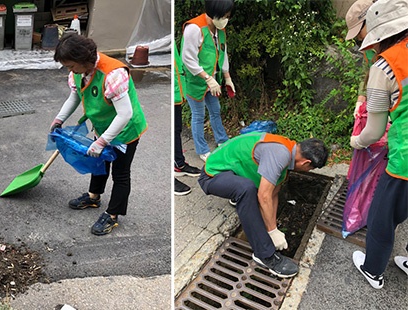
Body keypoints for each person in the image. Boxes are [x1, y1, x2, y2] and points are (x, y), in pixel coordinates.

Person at [50, 34, 147, 235]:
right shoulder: (78, 71)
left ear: (84, 60)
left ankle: (112, 215)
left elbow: (125, 114)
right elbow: (75, 96)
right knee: (99, 163)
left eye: (71, 66)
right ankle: (94, 197)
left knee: (120, 172)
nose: (70, 70)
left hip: (125, 130)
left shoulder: (113, 74)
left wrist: (103, 141)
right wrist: (59, 119)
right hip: (103, 125)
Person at [197, 132, 329, 277]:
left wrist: (272, 228)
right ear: (306, 163)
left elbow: (272, 194)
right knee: (246, 189)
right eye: (310, 169)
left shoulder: (288, 152)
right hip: (212, 175)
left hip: (230, 171)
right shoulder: (280, 155)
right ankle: (264, 255)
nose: (308, 171)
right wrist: (271, 231)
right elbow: (264, 196)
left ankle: (237, 195)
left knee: (253, 191)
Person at [349, 0, 408, 289]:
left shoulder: (386, 65)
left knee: (382, 214)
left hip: (405, 159)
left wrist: (356, 141)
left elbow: (373, 132)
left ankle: (373, 269)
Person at [181, 0, 235, 162]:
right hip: (196, 81)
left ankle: (222, 141)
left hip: (214, 81)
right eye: (224, 16)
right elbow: (188, 59)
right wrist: (207, 78)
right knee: (198, 115)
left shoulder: (220, 29)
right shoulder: (194, 29)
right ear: (214, 13)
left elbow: (222, 53)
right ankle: (202, 149)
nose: (226, 19)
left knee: (215, 110)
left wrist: (227, 78)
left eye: (228, 16)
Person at [174, 44, 201, 196]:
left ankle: (179, 163)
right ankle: (173, 171)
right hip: (172, 92)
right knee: (171, 133)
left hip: (176, 91)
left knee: (176, 130)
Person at [345, 0, 376, 118]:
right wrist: (360, 102)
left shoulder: (396, 39)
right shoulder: (368, 48)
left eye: (359, 31)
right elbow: (366, 76)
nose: (359, 37)